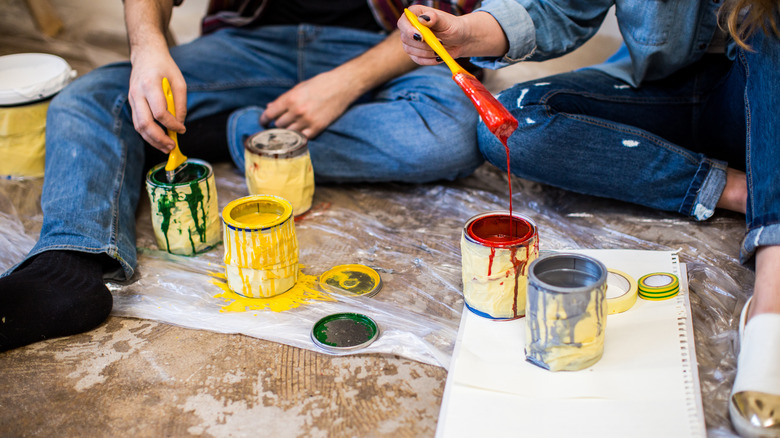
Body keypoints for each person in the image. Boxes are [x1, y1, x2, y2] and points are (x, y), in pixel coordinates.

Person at [0, 0, 485, 352]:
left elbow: (448, 11)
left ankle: (213, 132)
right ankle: (69, 261)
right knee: (90, 97)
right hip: (248, 44)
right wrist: (147, 48)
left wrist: (345, 83)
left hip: (388, 52)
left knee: (454, 130)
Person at [399, 1, 779, 437]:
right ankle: (749, 190)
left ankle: (773, 294)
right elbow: (561, 10)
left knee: (769, 23)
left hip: (766, 93)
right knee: (511, 121)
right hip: (660, 88)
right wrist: (465, 31)